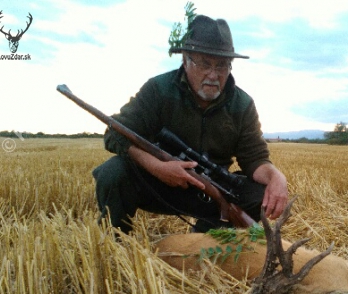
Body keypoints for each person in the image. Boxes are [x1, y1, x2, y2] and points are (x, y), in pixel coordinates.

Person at [92, 15, 288, 233]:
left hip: (211, 191)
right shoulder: (158, 90)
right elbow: (115, 133)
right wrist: (158, 167)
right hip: (157, 184)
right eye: (204, 63)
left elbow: (255, 159)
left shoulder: (243, 104)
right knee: (113, 172)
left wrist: (276, 176)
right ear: (185, 61)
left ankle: (209, 234)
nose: (213, 75)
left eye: (222, 66)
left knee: (259, 194)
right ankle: (115, 242)